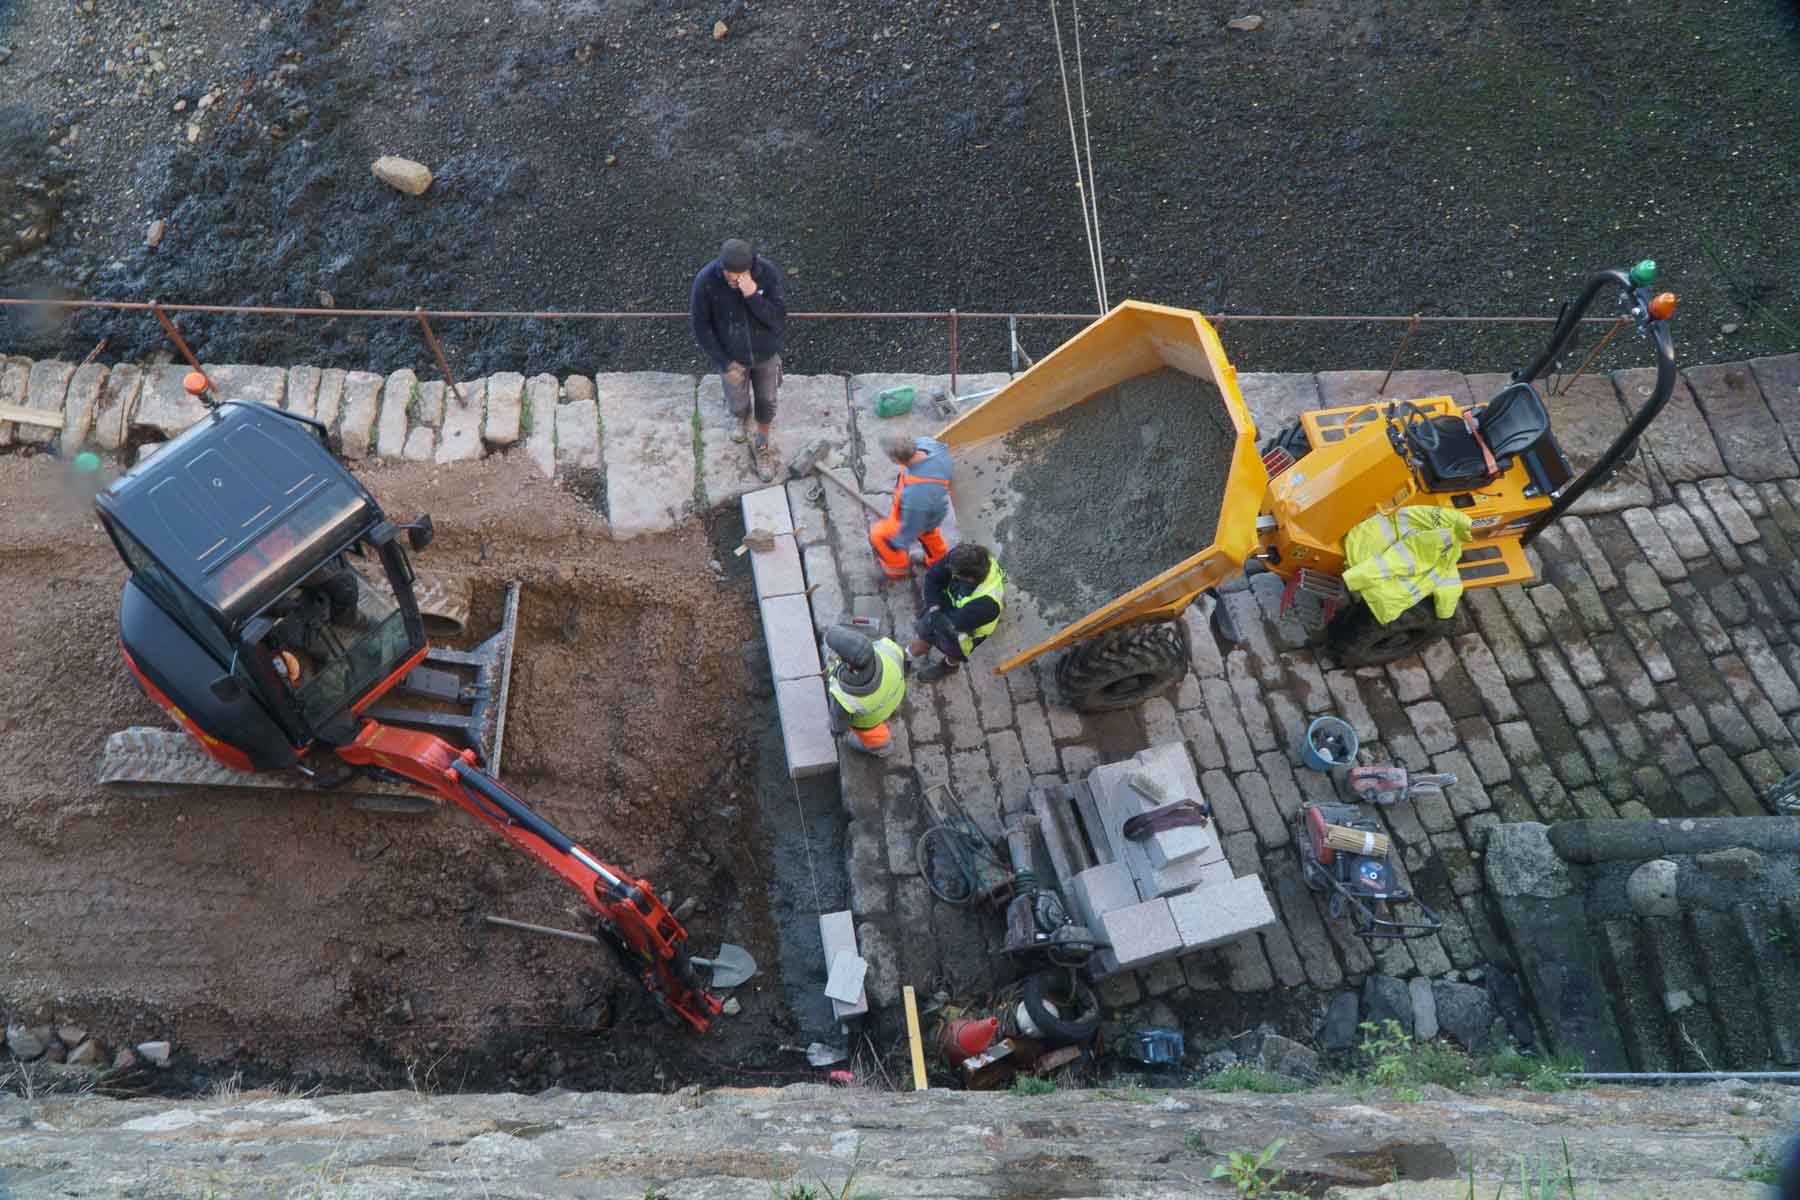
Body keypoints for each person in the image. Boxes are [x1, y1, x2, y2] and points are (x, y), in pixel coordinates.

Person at [689, 237, 788, 482]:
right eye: (728, 274)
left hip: (765, 353)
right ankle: (740, 417)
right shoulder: (706, 281)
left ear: (750, 268)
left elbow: (777, 319)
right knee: (737, 399)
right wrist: (722, 362)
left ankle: (762, 445)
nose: (733, 280)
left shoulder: (767, 273)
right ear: (721, 267)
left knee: (767, 401)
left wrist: (753, 295)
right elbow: (700, 326)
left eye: (739, 275)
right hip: (732, 357)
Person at [908, 543, 1004, 683]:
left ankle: (949, 666)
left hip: (967, 630)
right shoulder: (962, 557)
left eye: (955, 574)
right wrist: (934, 609)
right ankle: (909, 655)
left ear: (970, 578)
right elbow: (933, 578)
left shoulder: (987, 605)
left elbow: (949, 626)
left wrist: (932, 621)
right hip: (949, 610)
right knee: (925, 631)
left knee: (953, 650)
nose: (950, 571)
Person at [868, 434, 953, 580]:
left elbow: (913, 525)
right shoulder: (929, 445)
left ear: (895, 460)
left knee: (878, 534)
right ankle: (938, 561)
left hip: (921, 518)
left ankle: (897, 569)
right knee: (932, 541)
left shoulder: (917, 492)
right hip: (932, 508)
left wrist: (898, 542)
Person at [824, 625, 906, 757]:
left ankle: (882, 748)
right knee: (886, 704)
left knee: (874, 738)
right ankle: (890, 713)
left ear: (849, 665)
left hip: (870, 721)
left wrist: (838, 733)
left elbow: (839, 724)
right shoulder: (888, 647)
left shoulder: (842, 697)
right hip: (896, 695)